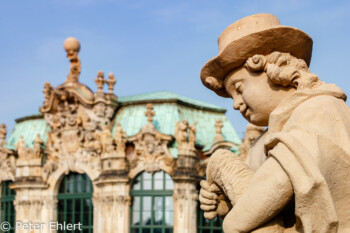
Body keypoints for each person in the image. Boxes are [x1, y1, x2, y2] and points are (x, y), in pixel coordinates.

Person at [199, 13, 350, 233]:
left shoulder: (318, 109)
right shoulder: (267, 139)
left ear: (272, 70)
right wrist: (226, 199)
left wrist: (222, 166)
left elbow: (251, 212)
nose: (236, 105)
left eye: (239, 90)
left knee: (221, 159)